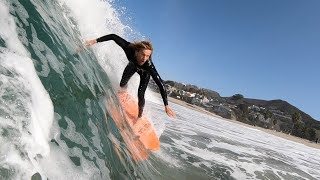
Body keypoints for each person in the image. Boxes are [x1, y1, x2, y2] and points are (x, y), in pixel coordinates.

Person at [84, 34, 176, 119]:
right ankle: (123, 92)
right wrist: (95, 41)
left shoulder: (149, 66)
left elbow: (160, 84)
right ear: (137, 51)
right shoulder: (129, 48)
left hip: (145, 73)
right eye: (143, 54)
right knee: (122, 83)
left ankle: (139, 116)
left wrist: (166, 105)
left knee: (140, 94)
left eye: (148, 56)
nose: (145, 58)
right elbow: (113, 36)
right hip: (132, 66)